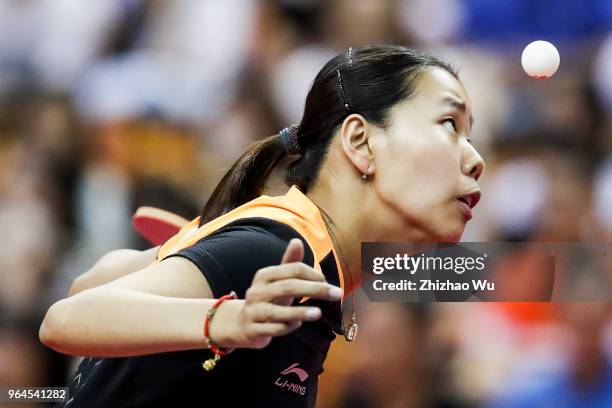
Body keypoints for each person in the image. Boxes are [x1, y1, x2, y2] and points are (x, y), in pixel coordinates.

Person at [39, 44, 484, 407]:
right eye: (450, 124)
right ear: (360, 141)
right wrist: (224, 318)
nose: (475, 158)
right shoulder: (273, 250)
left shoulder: (300, 256)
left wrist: (183, 249)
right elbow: (66, 319)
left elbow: (88, 283)